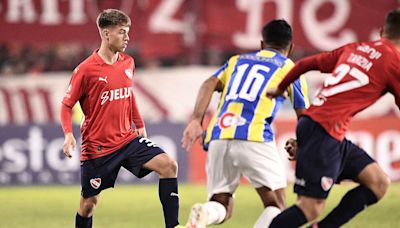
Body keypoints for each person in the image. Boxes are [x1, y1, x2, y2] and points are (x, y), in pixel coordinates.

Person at [266, 8, 400, 228]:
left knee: (378, 182)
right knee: (310, 208)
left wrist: (281, 88)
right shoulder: (395, 63)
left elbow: (303, 64)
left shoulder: (355, 48)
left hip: (322, 128)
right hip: (324, 131)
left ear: (382, 30)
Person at [181, 19, 309, 228]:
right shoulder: (290, 68)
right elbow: (303, 115)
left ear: (261, 44)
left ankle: (204, 213)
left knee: (220, 203)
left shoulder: (236, 61)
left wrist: (196, 119)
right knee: (276, 204)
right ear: (291, 47)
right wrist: (302, 141)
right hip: (254, 136)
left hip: (218, 135)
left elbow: (209, 82)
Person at [60, 9, 182, 228]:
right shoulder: (85, 70)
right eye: (122, 32)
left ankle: (173, 226)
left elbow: (128, 93)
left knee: (169, 165)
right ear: (106, 34)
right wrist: (68, 134)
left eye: (128, 32)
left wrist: (140, 124)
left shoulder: (128, 62)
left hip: (127, 140)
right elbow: (66, 104)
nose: (127, 38)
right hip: (98, 148)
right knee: (89, 204)